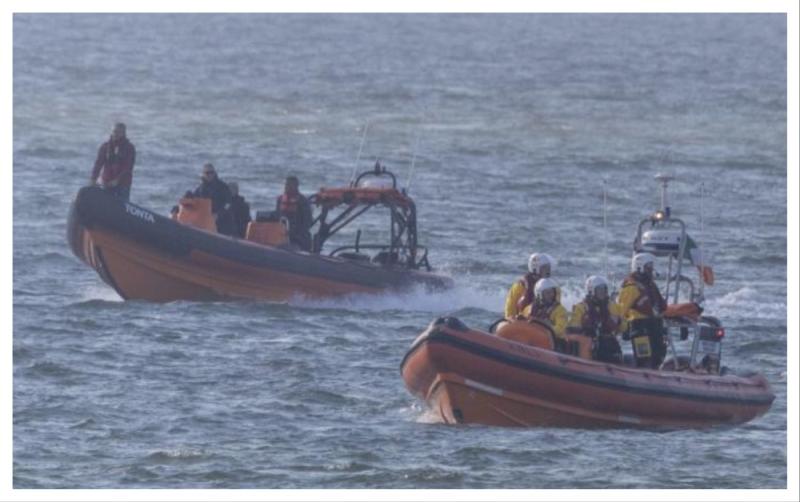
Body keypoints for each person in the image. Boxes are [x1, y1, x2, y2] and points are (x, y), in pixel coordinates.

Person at [618, 252, 668, 368]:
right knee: (644, 359)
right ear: (639, 267)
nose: (651, 270)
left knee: (658, 357)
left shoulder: (650, 285)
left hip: (655, 326)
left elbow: (661, 307)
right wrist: (622, 328)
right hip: (640, 328)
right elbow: (621, 312)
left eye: (651, 266)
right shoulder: (631, 288)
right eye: (648, 267)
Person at [567, 276, 628, 364]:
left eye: (604, 289)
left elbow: (624, 327)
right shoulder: (582, 308)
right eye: (599, 290)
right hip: (590, 345)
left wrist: (618, 322)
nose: (602, 292)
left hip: (609, 344)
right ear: (591, 291)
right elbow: (573, 328)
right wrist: (586, 328)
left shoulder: (611, 306)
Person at [89, 122, 136, 200]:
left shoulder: (129, 148)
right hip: (106, 183)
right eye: (114, 131)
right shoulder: (105, 147)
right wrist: (93, 179)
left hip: (122, 185)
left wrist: (117, 180)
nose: (115, 134)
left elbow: (128, 168)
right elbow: (98, 164)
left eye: (118, 132)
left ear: (123, 133)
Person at [504, 253, 555, 319]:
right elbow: (510, 306)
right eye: (545, 268)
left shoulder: (552, 286)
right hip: (521, 320)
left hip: (544, 322)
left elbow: (557, 308)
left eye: (548, 268)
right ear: (535, 268)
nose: (548, 271)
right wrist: (510, 319)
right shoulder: (521, 285)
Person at [192, 163, 234, 235]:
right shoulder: (200, 189)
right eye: (207, 173)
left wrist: (218, 214)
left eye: (211, 172)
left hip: (221, 222)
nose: (209, 175)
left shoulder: (223, 187)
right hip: (205, 222)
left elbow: (228, 204)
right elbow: (193, 201)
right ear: (203, 174)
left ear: (214, 173)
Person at [276, 175, 313, 251]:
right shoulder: (280, 199)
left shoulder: (303, 201)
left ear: (296, 186)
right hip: (282, 236)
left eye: (290, 185)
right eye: (286, 185)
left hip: (299, 239)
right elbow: (276, 217)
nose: (287, 187)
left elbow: (307, 222)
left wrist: (295, 234)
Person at [526, 278, 568, 344]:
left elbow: (561, 327)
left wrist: (546, 331)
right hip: (532, 339)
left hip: (553, 342)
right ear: (539, 294)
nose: (551, 295)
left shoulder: (560, 310)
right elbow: (523, 322)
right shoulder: (530, 308)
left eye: (552, 292)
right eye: (547, 293)